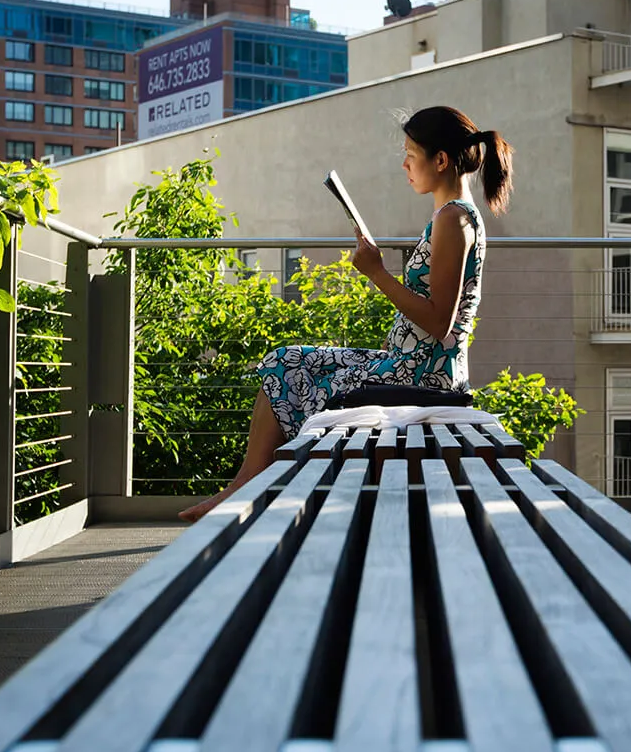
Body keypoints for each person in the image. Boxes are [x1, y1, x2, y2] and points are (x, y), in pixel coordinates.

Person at [179, 106, 514, 522]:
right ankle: (249, 485)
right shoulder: (454, 217)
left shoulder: (453, 220)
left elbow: (437, 321)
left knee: (286, 362)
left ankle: (248, 487)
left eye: (411, 154)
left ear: (440, 160)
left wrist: (375, 272)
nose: (404, 163)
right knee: (287, 361)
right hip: (412, 365)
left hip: (423, 375)